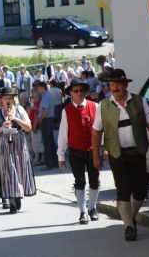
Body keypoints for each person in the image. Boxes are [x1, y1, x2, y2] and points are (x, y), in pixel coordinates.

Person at [92, 69, 149, 241]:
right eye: (111, 84)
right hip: (117, 154)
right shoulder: (104, 105)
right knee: (123, 190)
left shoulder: (139, 101)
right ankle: (129, 227)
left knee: (141, 190)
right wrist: (96, 155)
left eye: (118, 84)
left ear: (125, 84)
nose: (115, 88)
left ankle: (128, 217)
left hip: (138, 152)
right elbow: (96, 132)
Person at [57, 78, 100, 225]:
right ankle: (83, 212)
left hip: (93, 150)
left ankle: (92, 208)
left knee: (95, 180)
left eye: (82, 90)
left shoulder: (95, 106)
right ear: (70, 93)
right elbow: (63, 134)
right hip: (75, 151)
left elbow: (102, 129)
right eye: (76, 91)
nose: (79, 93)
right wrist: (60, 155)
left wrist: (105, 148)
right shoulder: (66, 110)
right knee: (79, 181)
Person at [0, 87, 36, 214]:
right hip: (4, 143)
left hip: (19, 142)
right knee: (8, 171)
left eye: (10, 97)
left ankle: (17, 194)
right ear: (1, 100)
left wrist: (15, 119)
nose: (8, 100)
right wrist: (2, 127)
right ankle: (12, 202)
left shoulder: (20, 109)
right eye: (5, 98)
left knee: (20, 169)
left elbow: (29, 127)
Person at [36, 82, 58, 170]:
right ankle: (55, 162)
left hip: (46, 120)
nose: (38, 90)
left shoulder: (45, 97)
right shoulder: (50, 96)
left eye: (38, 88)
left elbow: (45, 110)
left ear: (42, 88)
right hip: (51, 119)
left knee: (47, 143)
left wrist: (40, 119)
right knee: (51, 142)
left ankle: (49, 164)